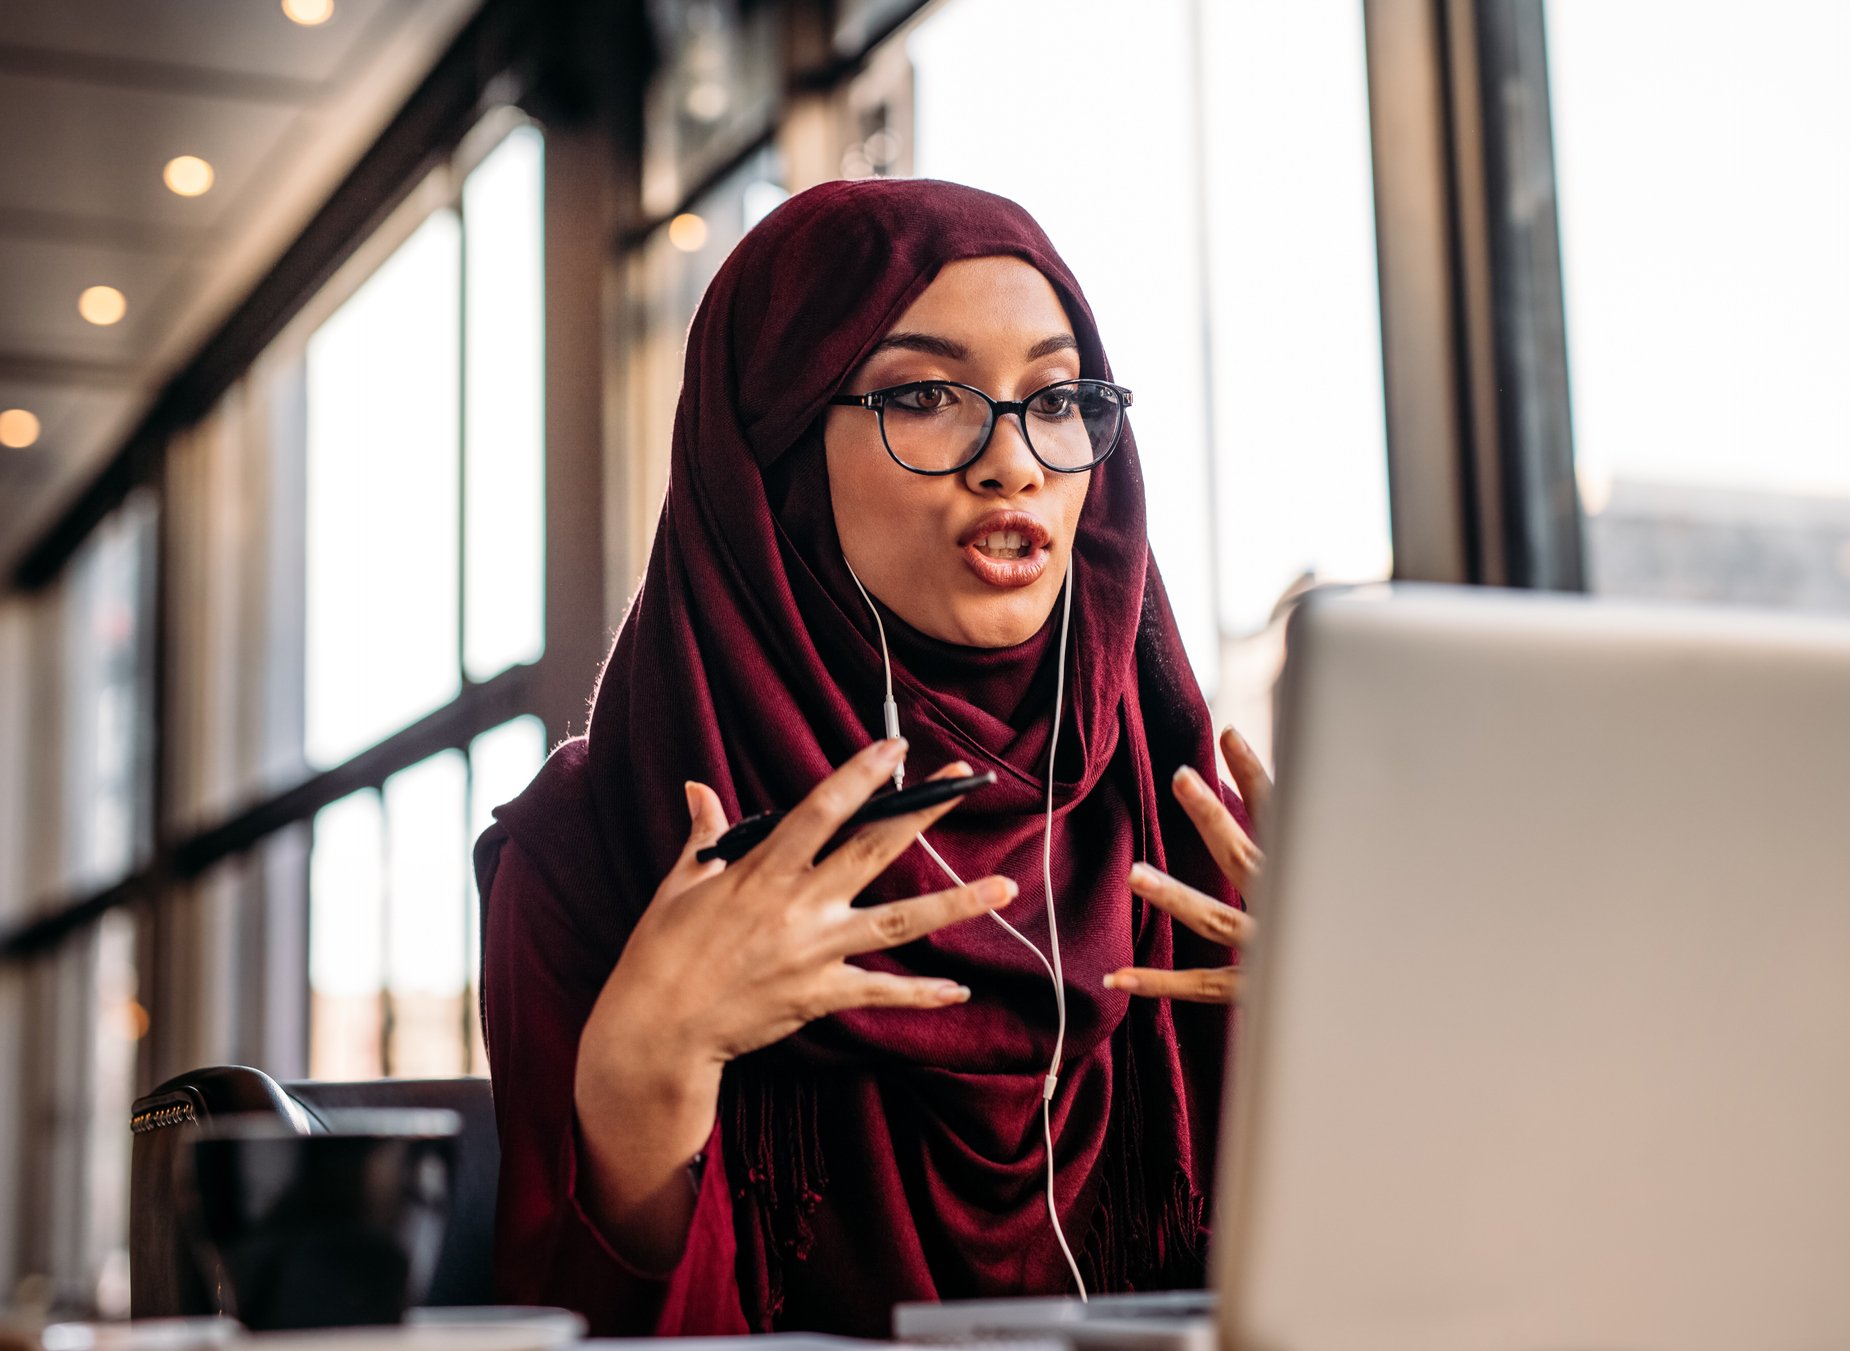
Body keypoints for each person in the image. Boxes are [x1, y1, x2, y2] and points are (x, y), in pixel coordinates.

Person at [473, 178, 1269, 1338]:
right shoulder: (599, 847)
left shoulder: (1183, 821)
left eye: (1056, 396)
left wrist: (1358, 1050)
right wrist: (645, 1079)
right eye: (927, 394)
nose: (1016, 465)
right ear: (773, 458)